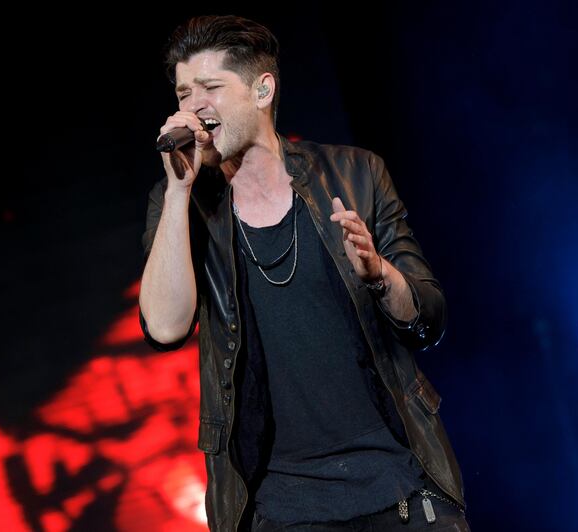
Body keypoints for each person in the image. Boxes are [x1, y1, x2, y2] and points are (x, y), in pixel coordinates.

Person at [138, 15, 469, 532]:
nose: (192, 106)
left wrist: (381, 275)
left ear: (262, 89)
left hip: (400, 486)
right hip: (285, 509)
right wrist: (180, 193)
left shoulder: (357, 173)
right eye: (183, 93)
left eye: (210, 88)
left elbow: (428, 318)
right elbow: (164, 326)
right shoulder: (183, 205)